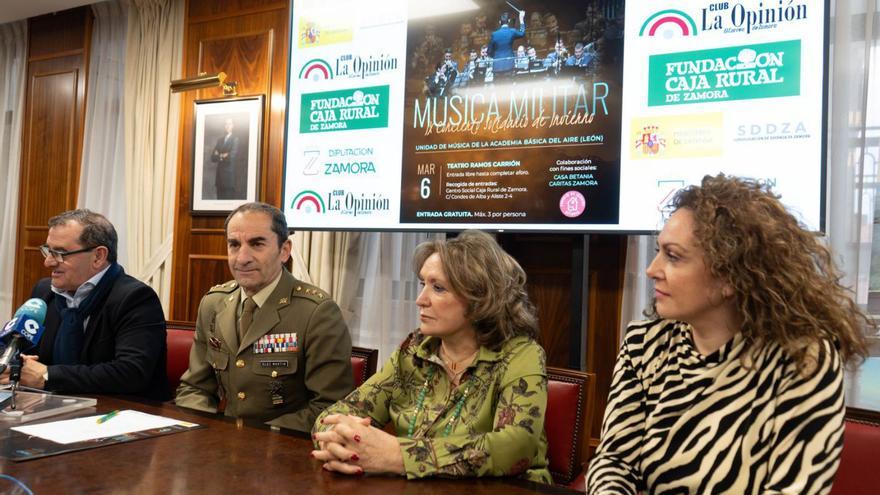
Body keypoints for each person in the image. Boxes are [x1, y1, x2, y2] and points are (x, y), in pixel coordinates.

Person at [586, 174, 869, 494]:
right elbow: (613, 463)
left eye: (673, 256)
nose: (652, 269)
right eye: (657, 251)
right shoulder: (644, 345)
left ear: (730, 276)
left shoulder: (804, 360)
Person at [312, 230, 550, 482]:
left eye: (438, 288)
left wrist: (399, 456)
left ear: (480, 299)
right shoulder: (415, 349)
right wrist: (336, 443)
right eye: (422, 284)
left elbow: (516, 446)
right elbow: (340, 412)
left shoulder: (521, 354)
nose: (420, 300)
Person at [175, 202, 353, 433]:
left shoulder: (316, 312)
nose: (242, 257)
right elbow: (194, 388)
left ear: (284, 250)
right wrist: (205, 431)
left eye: (257, 244)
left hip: (285, 448)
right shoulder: (213, 303)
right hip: (221, 445)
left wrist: (258, 438)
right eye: (234, 244)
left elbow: (331, 406)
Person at [0, 209, 169, 400]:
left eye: (60, 253)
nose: (48, 262)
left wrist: (47, 375)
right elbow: (19, 347)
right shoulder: (44, 292)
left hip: (119, 412)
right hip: (45, 407)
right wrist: (14, 362)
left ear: (98, 256)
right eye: (48, 250)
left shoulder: (135, 298)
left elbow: (131, 372)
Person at [489, 10, 526, 76]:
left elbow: (489, 51)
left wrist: (496, 57)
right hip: (509, 65)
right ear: (509, 21)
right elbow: (522, 33)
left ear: (499, 22)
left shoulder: (494, 34)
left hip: (497, 66)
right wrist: (521, 18)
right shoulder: (512, 31)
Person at [211, 117, 240, 199]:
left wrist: (219, 155)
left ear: (233, 126)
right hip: (219, 179)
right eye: (226, 124)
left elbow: (231, 157)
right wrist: (223, 155)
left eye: (229, 124)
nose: (227, 126)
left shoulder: (235, 139)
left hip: (229, 179)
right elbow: (213, 158)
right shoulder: (219, 140)